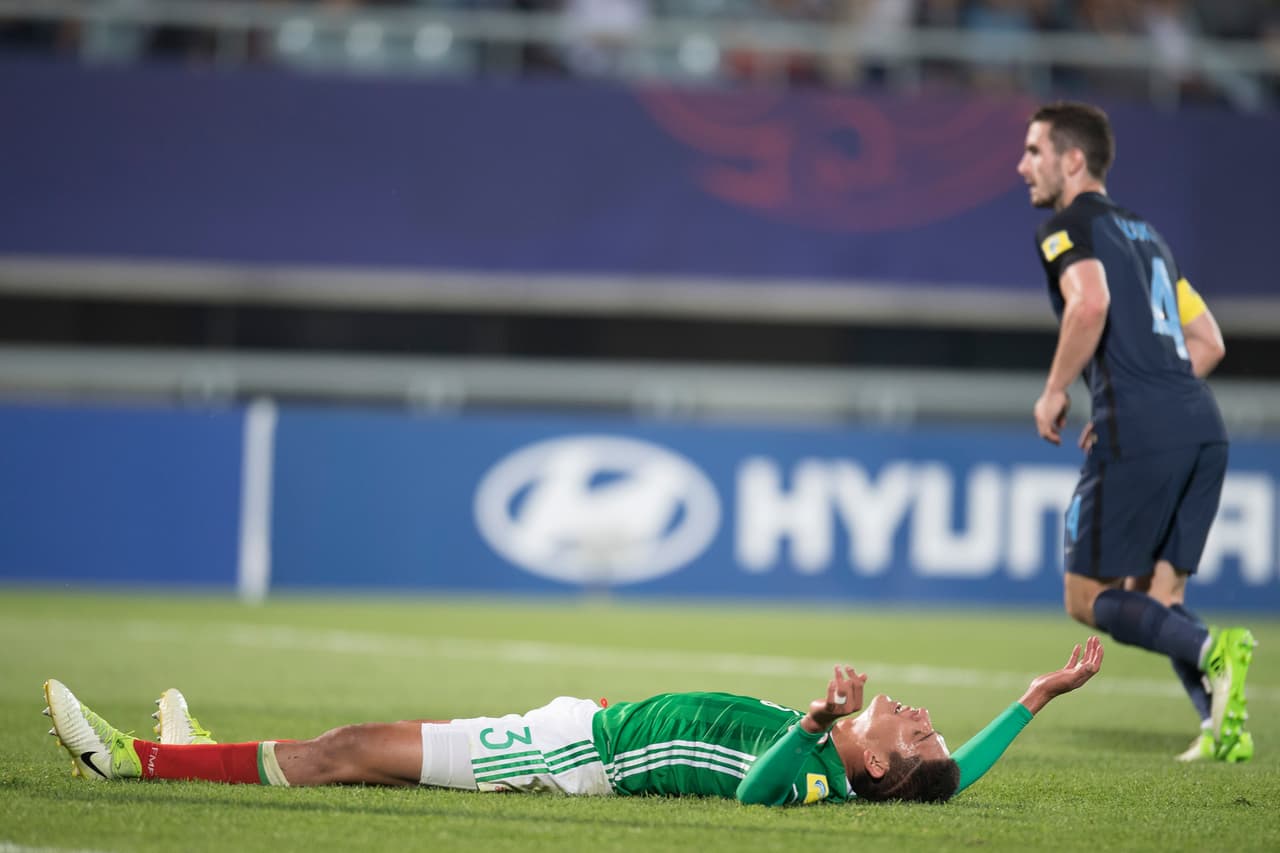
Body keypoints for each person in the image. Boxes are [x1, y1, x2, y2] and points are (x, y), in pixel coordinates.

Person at [43, 637, 1103, 805]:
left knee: (350, 751)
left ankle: (136, 764)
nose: (923, 717)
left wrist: (814, 719)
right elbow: (957, 775)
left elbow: (751, 791)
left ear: (875, 766)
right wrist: (1035, 696)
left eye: (917, 734)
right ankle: (195, 753)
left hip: (570, 755)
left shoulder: (816, 773)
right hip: (588, 723)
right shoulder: (865, 768)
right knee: (364, 747)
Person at [1017, 100, 1256, 763]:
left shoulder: (1067, 228)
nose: (1022, 165)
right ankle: (1221, 725)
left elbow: (1089, 303)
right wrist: (1150, 396)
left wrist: (1057, 389)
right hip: (1202, 423)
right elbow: (1208, 340)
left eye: (1034, 151)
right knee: (1160, 595)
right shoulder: (1148, 236)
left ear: (1072, 160)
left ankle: (1212, 648)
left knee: (1086, 596)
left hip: (1142, 430)